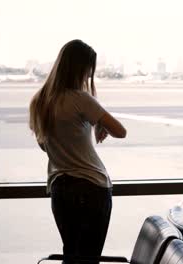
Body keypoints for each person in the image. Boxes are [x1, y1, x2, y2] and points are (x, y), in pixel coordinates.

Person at [29, 39, 127, 263]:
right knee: (88, 258)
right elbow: (121, 131)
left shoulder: (39, 101)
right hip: (91, 187)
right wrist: (99, 121)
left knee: (72, 255)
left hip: (59, 190)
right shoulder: (81, 99)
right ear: (82, 68)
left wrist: (92, 124)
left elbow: (45, 145)